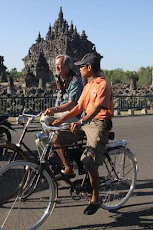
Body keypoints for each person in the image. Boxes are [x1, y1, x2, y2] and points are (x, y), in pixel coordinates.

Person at [53, 53, 114, 215]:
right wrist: (61, 120)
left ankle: (96, 198)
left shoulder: (103, 85)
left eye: (81, 66)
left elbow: (97, 108)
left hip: (98, 123)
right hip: (85, 122)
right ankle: (69, 167)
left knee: (89, 161)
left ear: (89, 68)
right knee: (56, 138)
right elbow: (78, 107)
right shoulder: (87, 85)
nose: (79, 69)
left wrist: (82, 121)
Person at [40, 54, 84, 169]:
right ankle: (52, 153)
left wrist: (54, 110)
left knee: (45, 118)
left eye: (59, 65)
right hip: (63, 113)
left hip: (74, 115)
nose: (56, 68)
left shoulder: (75, 81)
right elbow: (58, 102)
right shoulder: (60, 81)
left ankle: (56, 154)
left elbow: (72, 104)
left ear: (67, 67)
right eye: (56, 65)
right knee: (40, 137)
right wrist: (52, 111)